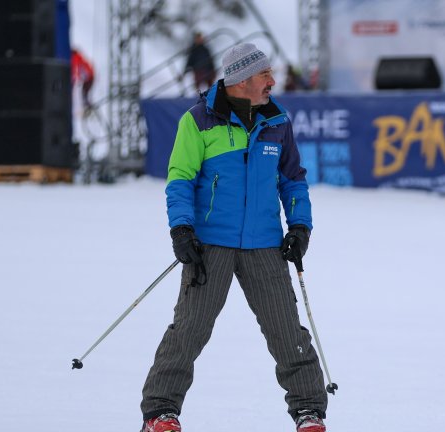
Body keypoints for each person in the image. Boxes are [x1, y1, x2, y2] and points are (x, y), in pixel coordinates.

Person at [140, 43, 328, 432]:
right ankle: (160, 412)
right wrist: (182, 228)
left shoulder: (278, 122)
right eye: (265, 75)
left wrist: (299, 226)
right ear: (241, 80)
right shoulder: (198, 121)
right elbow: (180, 180)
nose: (273, 82)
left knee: (287, 331)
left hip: (264, 244)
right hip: (210, 245)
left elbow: (293, 181)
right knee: (189, 330)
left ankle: (309, 412)